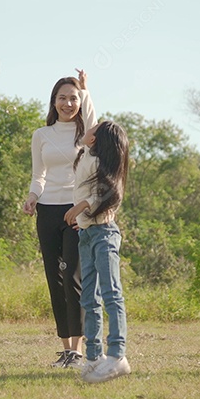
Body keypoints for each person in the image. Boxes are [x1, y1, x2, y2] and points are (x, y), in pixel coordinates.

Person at [23, 69, 96, 369]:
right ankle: (66, 349)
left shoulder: (87, 134)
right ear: (53, 102)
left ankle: (78, 350)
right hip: (48, 210)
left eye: (74, 98)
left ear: (80, 101)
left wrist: (87, 90)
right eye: (62, 98)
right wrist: (32, 196)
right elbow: (38, 174)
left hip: (75, 210)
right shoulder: (41, 135)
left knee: (72, 278)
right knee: (54, 278)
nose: (68, 104)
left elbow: (93, 122)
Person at [64, 120, 131, 383]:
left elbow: (107, 194)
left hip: (104, 233)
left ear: (94, 139)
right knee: (88, 298)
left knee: (111, 293)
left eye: (92, 130)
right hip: (86, 235)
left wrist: (81, 207)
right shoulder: (85, 156)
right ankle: (93, 357)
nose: (86, 130)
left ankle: (117, 355)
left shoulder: (104, 167)